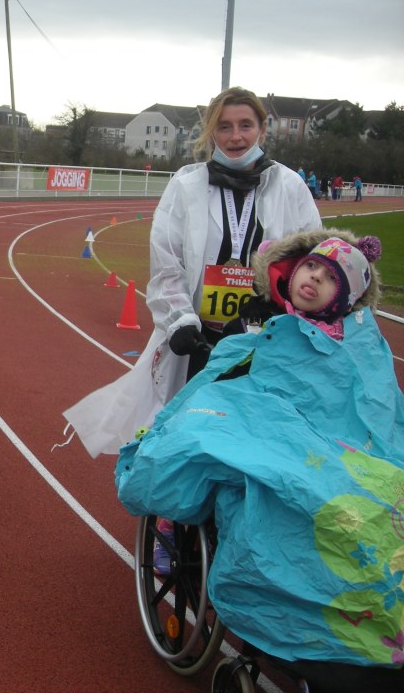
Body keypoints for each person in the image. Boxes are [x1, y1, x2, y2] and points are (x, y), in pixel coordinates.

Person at [115, 229, 403, 691]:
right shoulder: (255, 331)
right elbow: (218, 393)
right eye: (311, 266)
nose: (315, 278)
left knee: (380, 510)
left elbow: (379, 409)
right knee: (292, 501)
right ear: (292, 271)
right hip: (273, 440)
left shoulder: (362, 345)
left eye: (331, 277)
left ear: (346, 298)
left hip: (346, 451)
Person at [62, 86, 321, 459]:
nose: (235, 136)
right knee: (187, 435)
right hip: (198, 341)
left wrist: (273, 309)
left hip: (263, 341)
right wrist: (180, 319)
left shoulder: (289, 186)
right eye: (224, 126)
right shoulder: (187, 185)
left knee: (250, 442)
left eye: (245, 125)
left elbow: (309, 260)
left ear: (262, 130)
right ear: (212, 132)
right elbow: (166, 260)